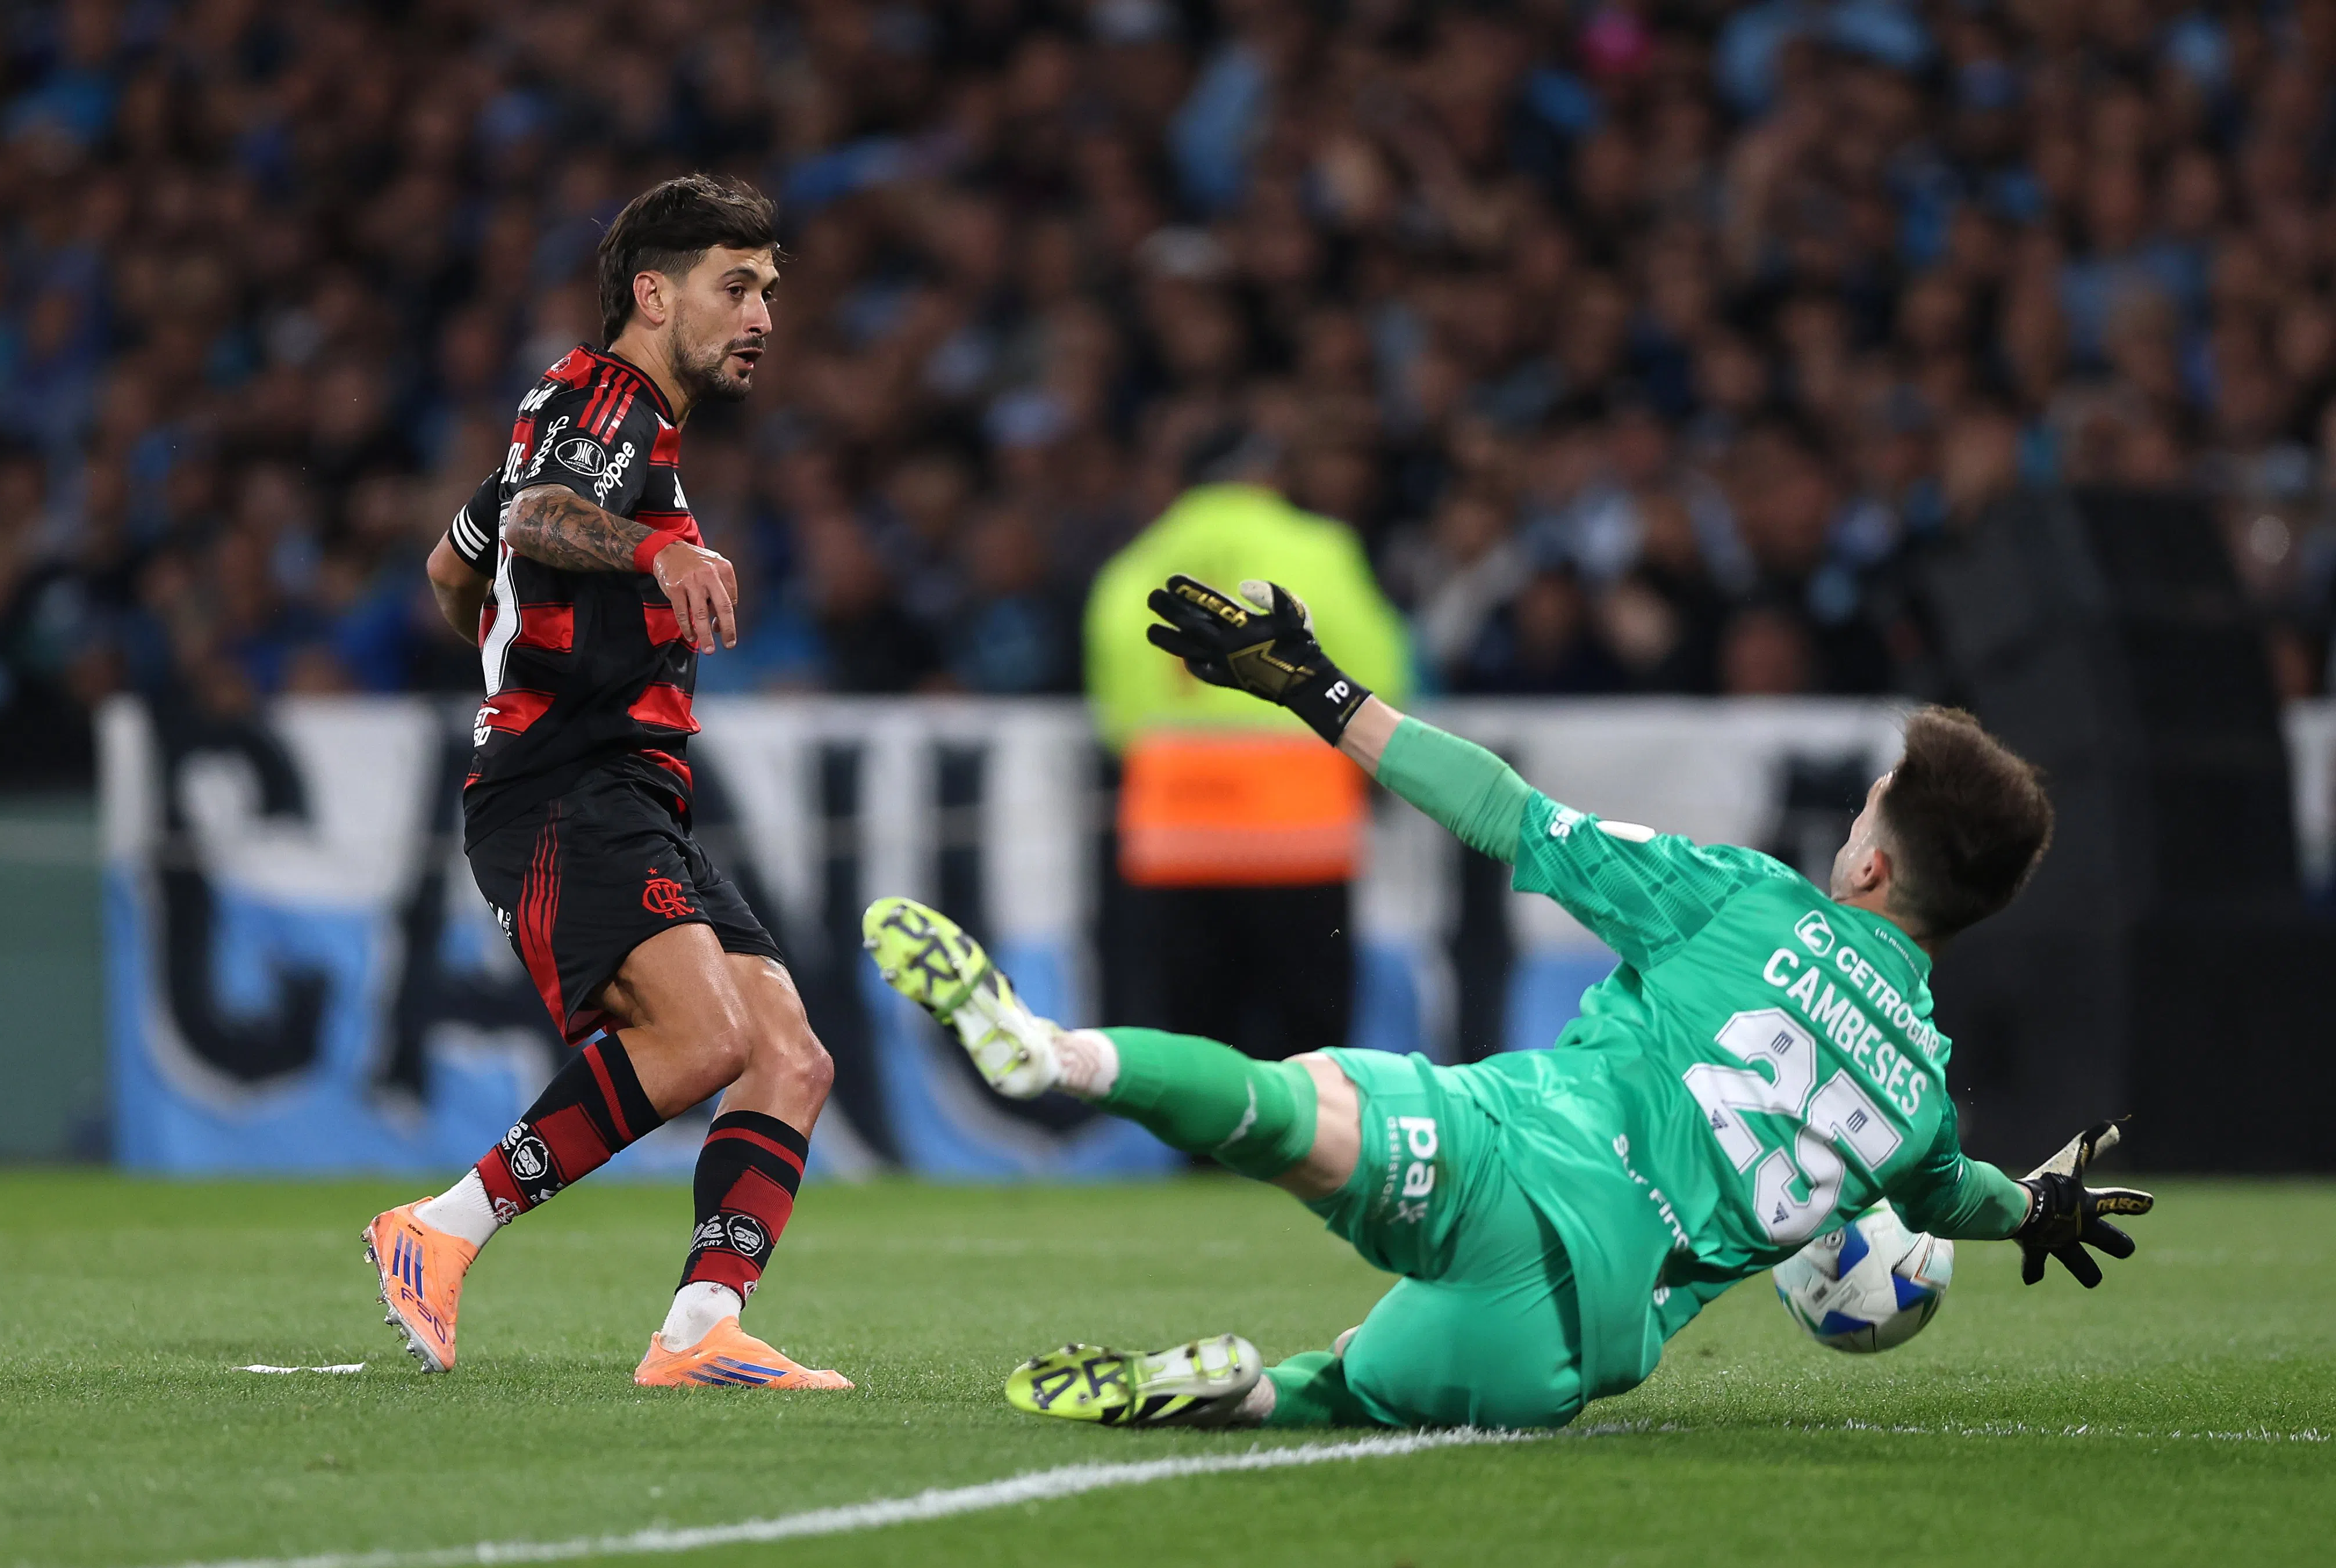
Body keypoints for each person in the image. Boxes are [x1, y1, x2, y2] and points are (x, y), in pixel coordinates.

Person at [863, 575, 2153, 1430]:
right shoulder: (1916, 1100)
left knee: (1276, 1107)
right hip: (1575, 1335)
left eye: (1866, 802)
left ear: (1868, 862)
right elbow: (1949, 1194)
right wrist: (2033, 1206)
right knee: (1357, 1398)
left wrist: (1316, 690)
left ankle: (1052, 1056)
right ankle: (1253, 1394)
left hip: (1509, 1156)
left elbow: (1507, 815)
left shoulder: (1751, 904)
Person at [363, 176, 851, 1393]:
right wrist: (648, 552)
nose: (761, 318)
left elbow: (453, 558)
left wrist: (506, 648)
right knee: (697, 1041)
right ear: (653, 293)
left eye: (769, 292)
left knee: (787, 1057)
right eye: (735, 288)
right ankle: (438, 1228)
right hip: (567, 788)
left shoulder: (593, 428)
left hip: (629, 790)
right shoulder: (604, 398)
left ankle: (698, 1330)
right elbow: (533, 517)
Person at [1081, 432, 1409, 1058]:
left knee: (1195, 1040)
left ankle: (1195, 1161)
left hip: (1178, 835)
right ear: (1264, 475)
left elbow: (1117, 714)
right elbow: (1379, 677)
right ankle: (1311, 1157)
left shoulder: (1136, 562)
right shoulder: (1320, 549)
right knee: (1311, 1038)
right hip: (1300, 831)